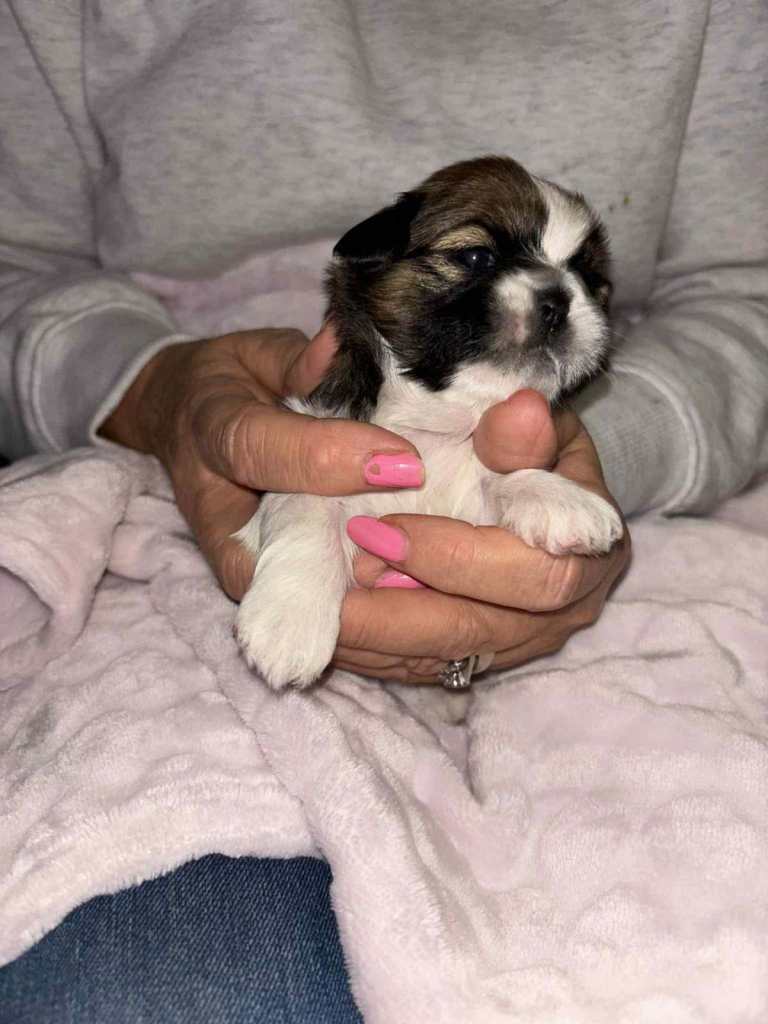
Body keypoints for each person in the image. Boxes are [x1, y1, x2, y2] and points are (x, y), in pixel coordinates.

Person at [0, 1, 765, 1021]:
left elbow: (742, 294)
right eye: (481, 257)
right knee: (179, 990)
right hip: (173, 525)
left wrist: (584, 462)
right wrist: (153, 393)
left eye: (584, 279)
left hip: (658, 548)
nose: (554, 296)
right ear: (364, 268)